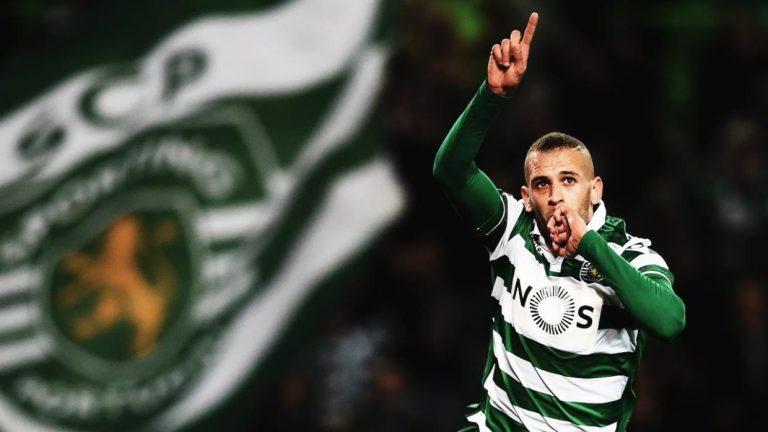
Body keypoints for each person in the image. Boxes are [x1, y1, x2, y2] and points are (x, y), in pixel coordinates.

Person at [432, 12, 686, 432]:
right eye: (542, 184)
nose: (555, 195)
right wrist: (491, 96)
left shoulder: (630, 254)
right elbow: (451, 171)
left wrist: (590, 245)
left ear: (595, 189)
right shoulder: (511, 229)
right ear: (526, 197)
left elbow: (670, 321)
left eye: (569, 180)